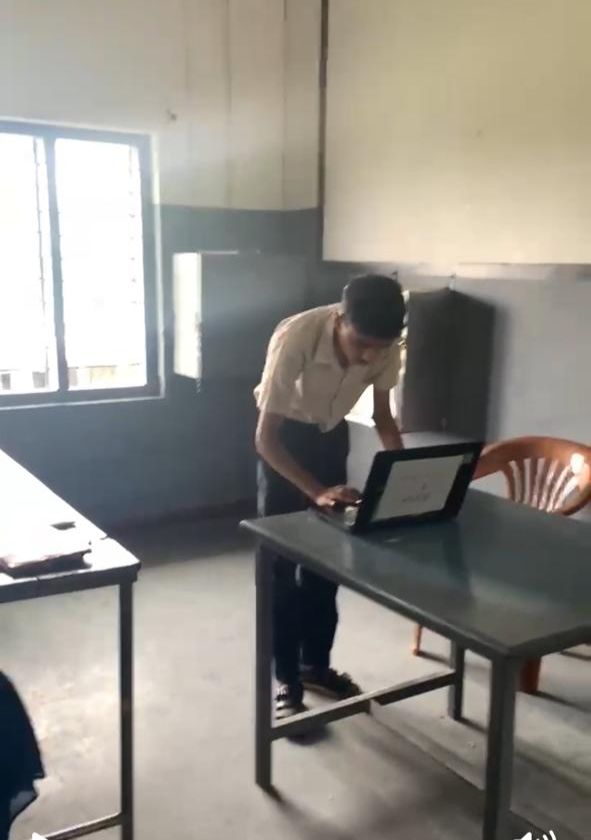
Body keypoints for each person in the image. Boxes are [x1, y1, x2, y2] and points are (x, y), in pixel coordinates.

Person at [254, 273, 407, 718]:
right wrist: (317, 491)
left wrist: (404, 474)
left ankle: (315, 667)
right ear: (340, 318)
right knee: (281, 571)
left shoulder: (385, 343)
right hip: (285, 444)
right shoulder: (296, 336)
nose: (370, 356)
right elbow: (265, 439)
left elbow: (383, 418)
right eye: (361, 344)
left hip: (330, 437)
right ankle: (287, 680)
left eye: (380, 347)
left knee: (325, 568)